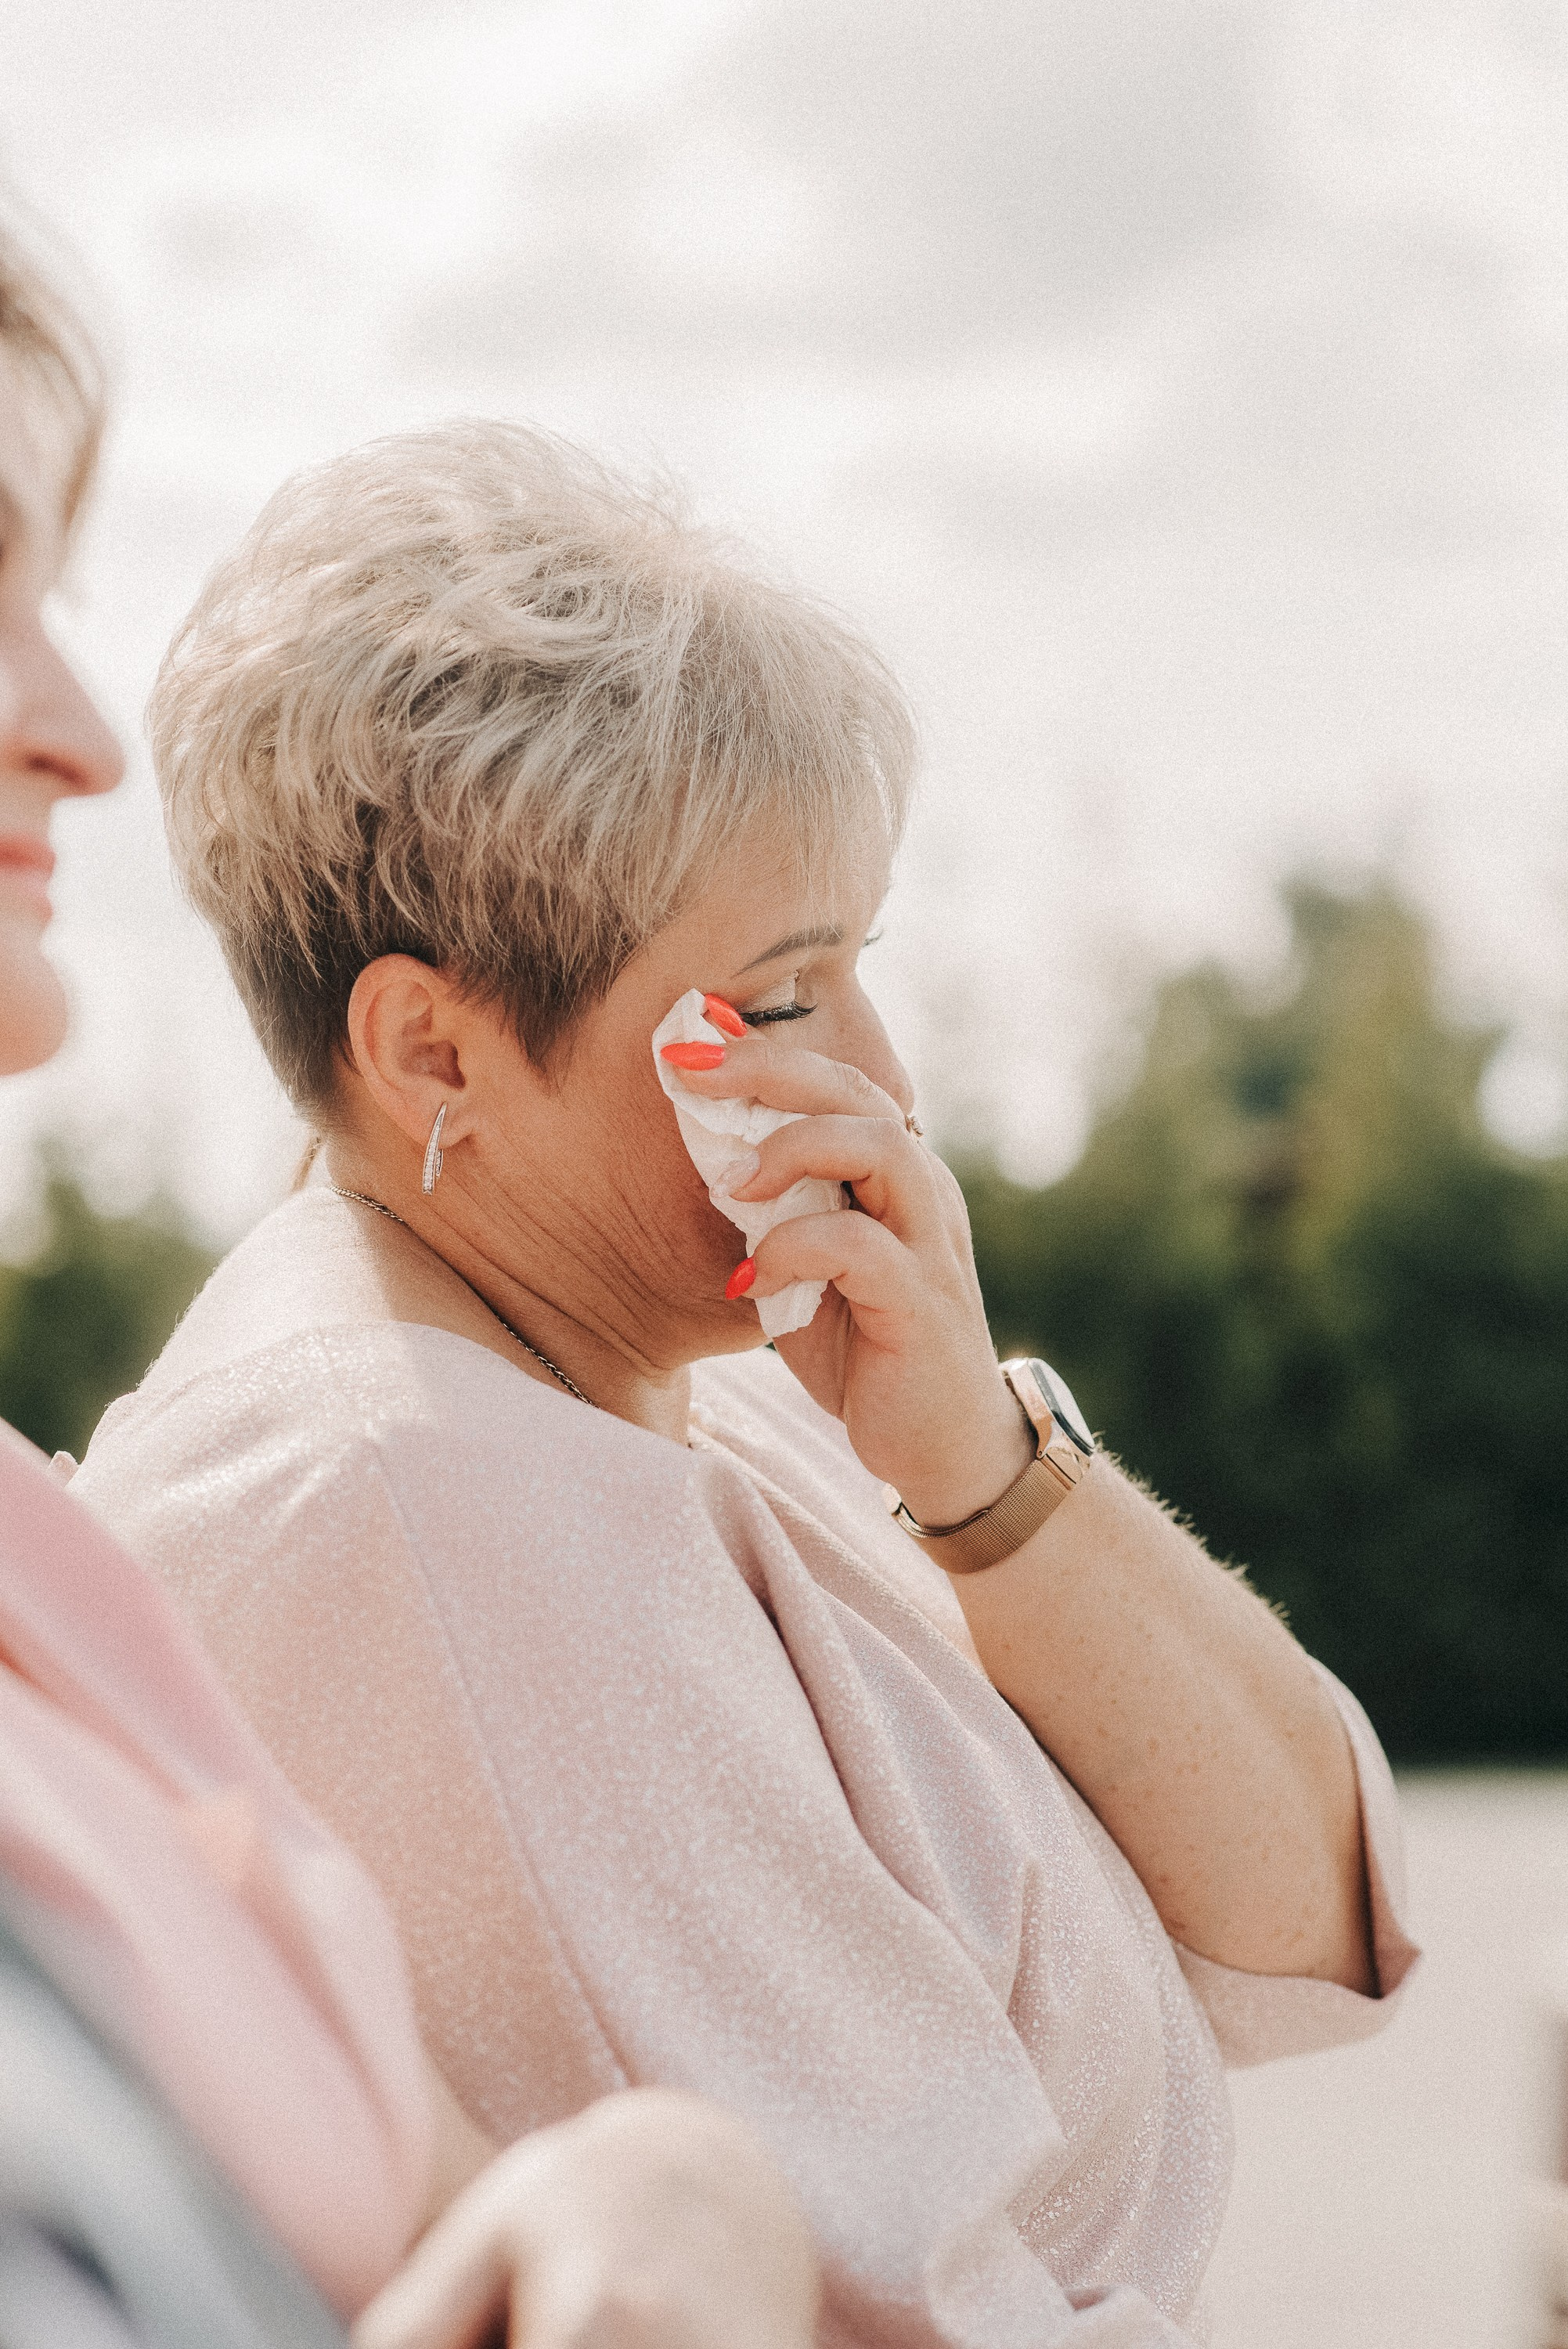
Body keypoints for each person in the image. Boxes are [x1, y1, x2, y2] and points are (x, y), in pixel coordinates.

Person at [76, 417, 1419, 2347]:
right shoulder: (416, 1507)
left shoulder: (707, 1383)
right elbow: (904, 2307)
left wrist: (989, 1474)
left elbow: (1317, 1922)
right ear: (433, 1053)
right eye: (783, 997)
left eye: (860, 964)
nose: (887, 1079)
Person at [0, 217, 819, 2349]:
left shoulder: (46, 1572)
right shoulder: (354, 1481)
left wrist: (661, 2175)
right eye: (773, 999)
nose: (80, 734)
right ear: (431, 1056)